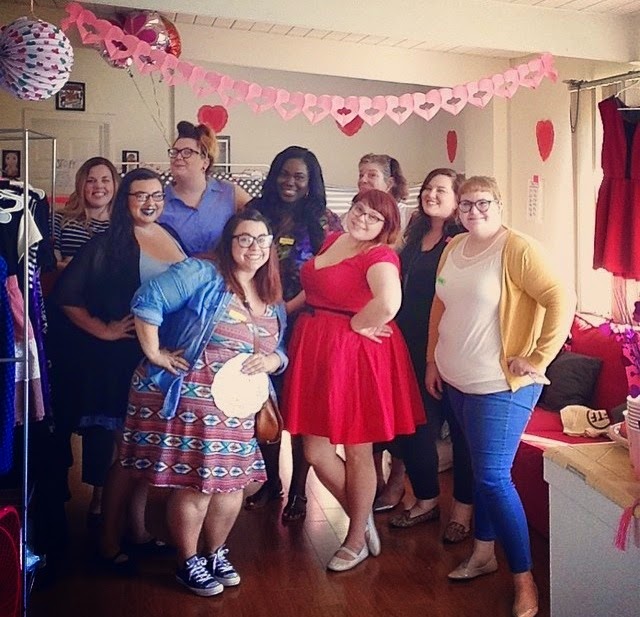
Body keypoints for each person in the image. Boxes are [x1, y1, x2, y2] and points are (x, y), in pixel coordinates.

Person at [116, 209, 287, 596]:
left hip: (240, 407)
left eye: (262, 240)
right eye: (245, 238)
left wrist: (274, 361)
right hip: (197, 400)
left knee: (233, 486)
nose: (254, 247)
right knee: (199, 485)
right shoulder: (204, 273)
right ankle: (187, 561)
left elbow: (280, 349)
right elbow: (148, 299)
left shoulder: (271, 295)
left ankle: (215, 552)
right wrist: (155, 353)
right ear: (229, 243)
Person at [425, 176, 572, 617]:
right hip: (457, 381)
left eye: (483, 202)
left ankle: (525, 580)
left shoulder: (517, 248)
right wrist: (432, 359)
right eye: (466, 204)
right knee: (477, 467)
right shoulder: (454, 247)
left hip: (500, 386)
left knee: (492, 478)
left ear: (499, 204)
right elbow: (440, 304)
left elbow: (561, 297)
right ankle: (483, 553)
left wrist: (539, 356)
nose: (474, 211)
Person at [283, 189, 424, 572]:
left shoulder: (379, 255)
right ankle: (361, 520)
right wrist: (283, 309)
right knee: (315, 451)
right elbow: (315, 287)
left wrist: (360, 323)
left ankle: (355, 539)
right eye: (359, 209)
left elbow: (389, 302)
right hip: (317, 345)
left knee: (358, 449)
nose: (363, 218)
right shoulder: (334, 239)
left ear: (386, 227)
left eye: (374, 217)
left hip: (354, 353)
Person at [53, 168, 186, 535]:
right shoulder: (109, 243)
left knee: (144, 453)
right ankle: (110, 540)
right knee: (130, 453)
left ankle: (138, 531)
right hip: (124, 361)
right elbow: (66, 296)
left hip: (164, 357)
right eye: (140, 195)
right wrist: (105, 330)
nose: (150, 203)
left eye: (156, 195)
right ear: (125, 200)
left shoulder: (170, 235)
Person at [245, 145, 342, 522]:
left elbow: (331, 275)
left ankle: (299, 490)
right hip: (258, 320)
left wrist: (289, 307)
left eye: (299, 176)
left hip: (304, 323)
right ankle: (273, 483)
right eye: (285, 174)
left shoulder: (325, 221)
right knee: (263, 403)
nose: (290, 182)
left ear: (311, 181)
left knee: (300, 409)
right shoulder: (255, 211)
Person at [389, 168, 473, 541]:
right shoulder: (414, 236)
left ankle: (462, 512)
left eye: (441, 189)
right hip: (406, 347)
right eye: (427, 188)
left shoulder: (461, 242)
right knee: (414, 430)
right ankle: (426, 499)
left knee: (458, 434)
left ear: (457, 199)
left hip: (447, 349)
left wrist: (434, 358)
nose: (431, 194)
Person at [356, 153, 410, 511]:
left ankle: (397, 479)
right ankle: (372, 477)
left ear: (389, 182)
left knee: (395, 408)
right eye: (361, 174)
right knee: (369, 409)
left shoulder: (406, 219)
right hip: (364, 325)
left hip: (394, 324)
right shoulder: (357, 217)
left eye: (372, 174)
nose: (364, 180)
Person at [159, 120, 251, 255]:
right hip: (176, 268)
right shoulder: (159, 199)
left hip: (222, 267)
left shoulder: (230, 193)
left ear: (205, 162)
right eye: (174, 152)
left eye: (187, 152)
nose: (178, 157)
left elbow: (258, 222)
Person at [53, 157, 119, 268]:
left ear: (115, 184)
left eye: (105, 180)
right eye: (90, 181)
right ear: (81, 185)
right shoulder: (59, 219)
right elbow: (50, 265)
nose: (98, 186)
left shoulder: (124, 224)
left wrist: (74, 264)